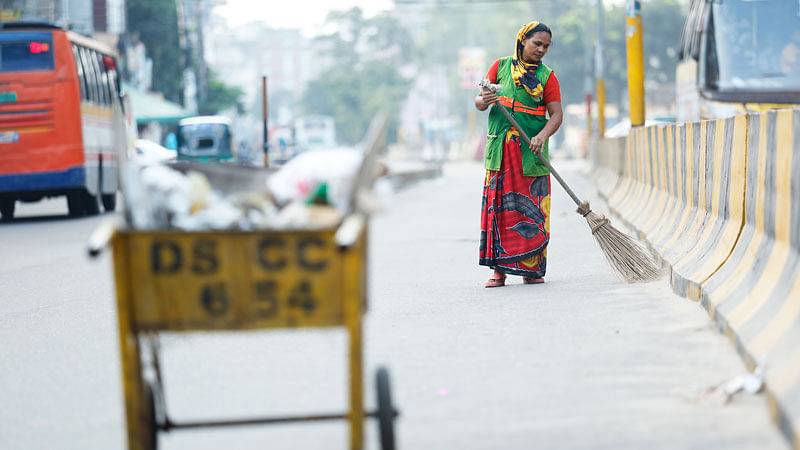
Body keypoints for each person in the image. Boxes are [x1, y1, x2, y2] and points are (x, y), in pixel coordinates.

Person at [475, 21, 563, 288]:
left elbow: (556, 115)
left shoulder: (548, 76)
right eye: (537, 43)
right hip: (500, 153)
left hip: (530, 153)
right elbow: (479, 102)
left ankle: (532, 270)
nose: (541, 50)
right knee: (499, 210)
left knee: (532, 211)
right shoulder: (499, 67)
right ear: (522, 40)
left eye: (546, 46)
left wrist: (542, 136)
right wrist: (484, 100)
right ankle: (498, 272)